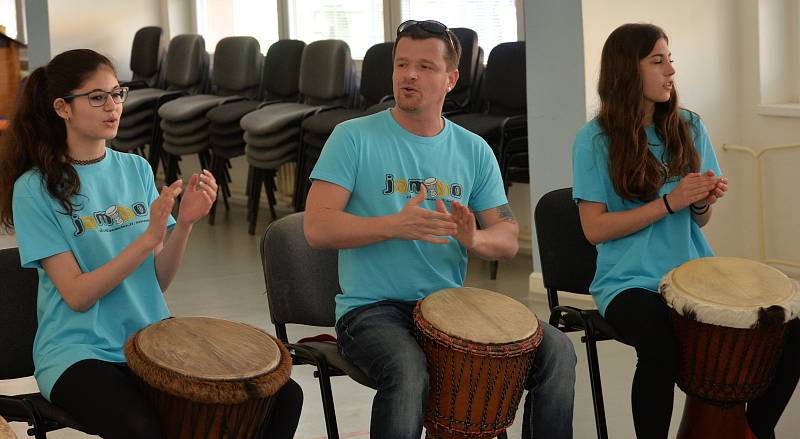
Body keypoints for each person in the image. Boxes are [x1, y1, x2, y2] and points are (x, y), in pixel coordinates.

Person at [0, 49, 302, 439]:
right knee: (143, 427)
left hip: (152, 341)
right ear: (63, 108)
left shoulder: (135, 168)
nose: (113, 107)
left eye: (117, 93)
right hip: (78, 353)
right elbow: (76, 295)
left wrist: (186, 224)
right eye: (96, 97)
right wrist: (147, 239)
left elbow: (155, 282)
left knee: (282, 396)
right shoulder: (35, 189)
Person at [304, 19, 576, 439]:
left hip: (449, 308)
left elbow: (505, 237)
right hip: (370, 312)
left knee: (557, 350)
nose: (409, 75)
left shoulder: (474, 150)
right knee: (407, 368)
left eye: (426, 67)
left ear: (451, 79)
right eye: (401, 64)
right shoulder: (352, 138)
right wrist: (393, 225)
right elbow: (316, 228)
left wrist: (474, 238)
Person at [572, 23, 799, 439]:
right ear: (627, 70)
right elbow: (594, 229)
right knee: (660, 346)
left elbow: (697, 220)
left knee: (791, 326)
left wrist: (699, 201)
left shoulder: (689, 127)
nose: (671, 71)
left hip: (694, 275)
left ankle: (752, 430)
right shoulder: (594, 140)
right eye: (658, 61)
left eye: (670, 59)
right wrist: (668, 202)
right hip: (628, 283)